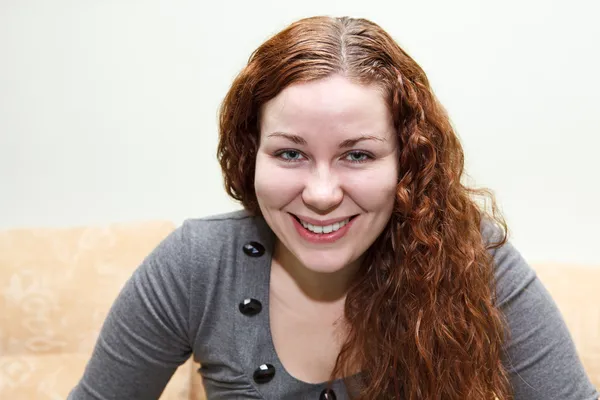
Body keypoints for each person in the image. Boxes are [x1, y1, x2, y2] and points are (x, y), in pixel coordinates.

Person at [68, 16, 599, 400]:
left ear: (406, 164)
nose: (321, 193)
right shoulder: (197, 264)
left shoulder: (470, 256)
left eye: (358, 154)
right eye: (291, 153)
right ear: (251, 154)